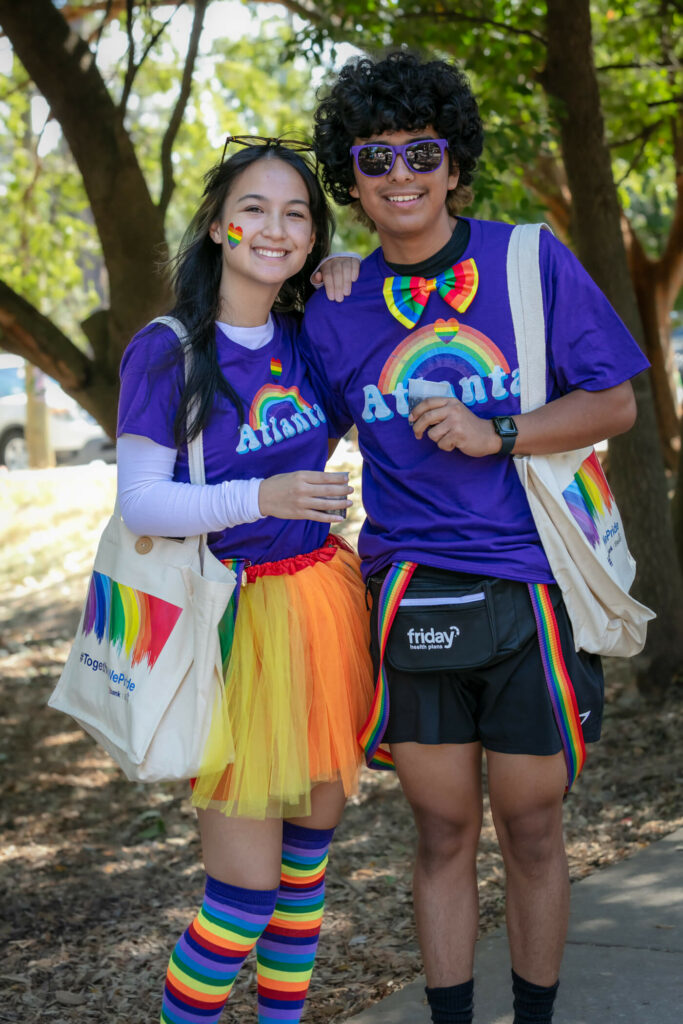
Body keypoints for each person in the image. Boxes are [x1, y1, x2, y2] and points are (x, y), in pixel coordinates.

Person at [300, 52, 650, 1024]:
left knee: (533, 828)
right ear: (353, 175)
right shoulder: (335, 308)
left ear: (454, 164)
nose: (400, 172)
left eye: (422, 150)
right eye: (376, 156)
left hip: (530, 589)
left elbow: (613, 400)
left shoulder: (526, 260)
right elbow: (290, 423)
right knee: (442, 829)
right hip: (410, 599)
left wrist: (497, 429)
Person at [115, 136, 373, 1024]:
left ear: (311, 235)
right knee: (242, 898)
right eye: (255, 208)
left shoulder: (311, 337)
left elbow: (390, 357)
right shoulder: (168, 349)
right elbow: (142, 504)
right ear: (220, 224)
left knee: (305, 872)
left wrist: (353, 274)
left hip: (322, 610)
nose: (275, 226)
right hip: (231, 626)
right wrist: (256, 493)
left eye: (296, 213)